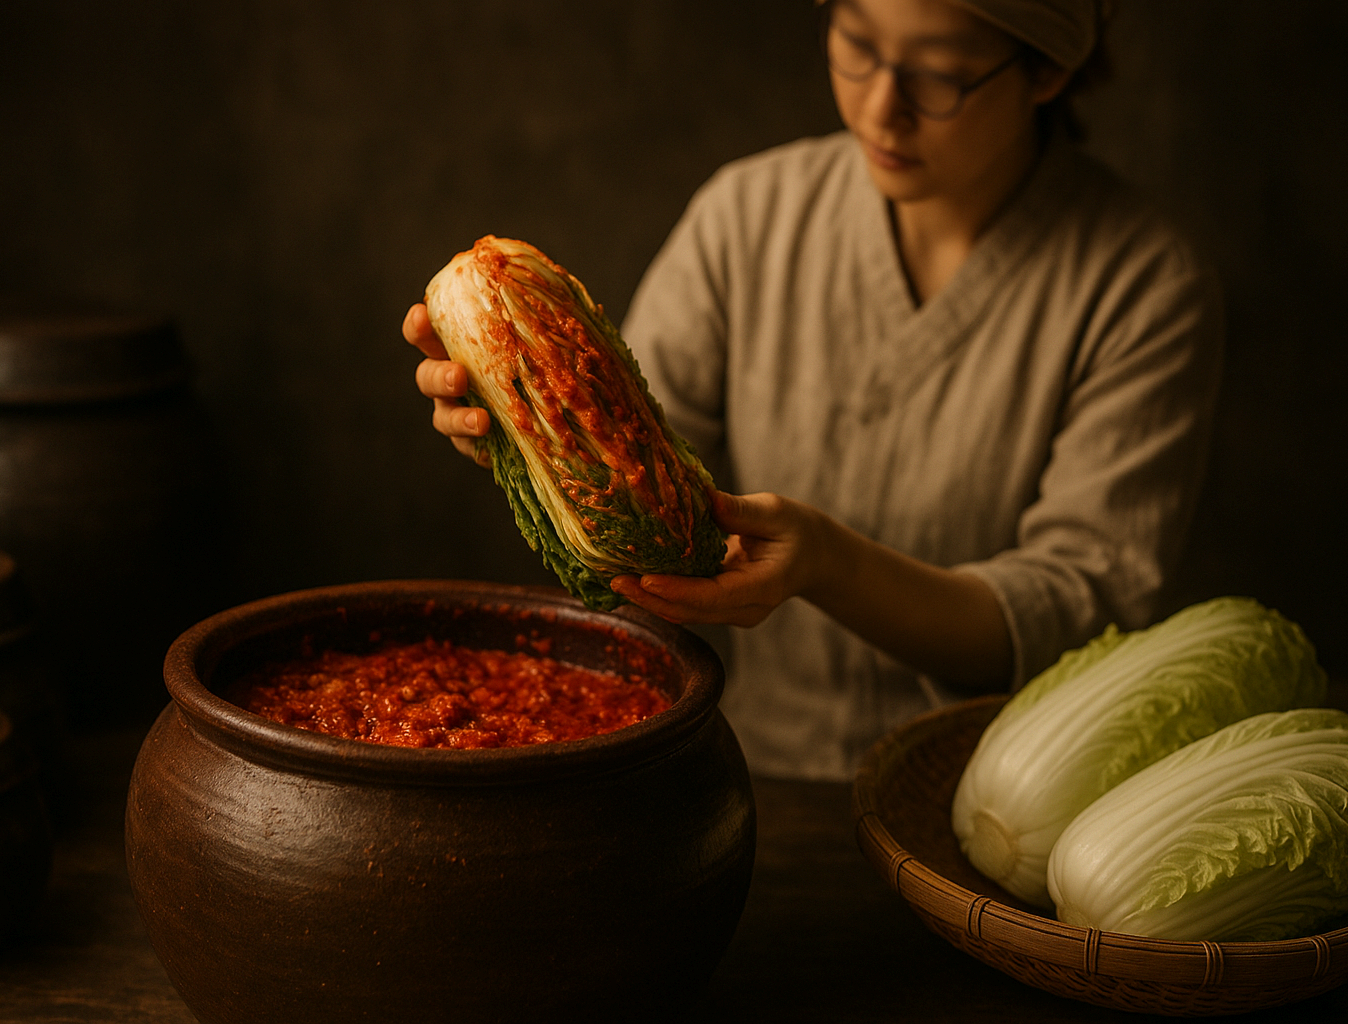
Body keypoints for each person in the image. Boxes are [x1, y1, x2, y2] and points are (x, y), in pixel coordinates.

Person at [404, 0, 1224, 781]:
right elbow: (633, 483)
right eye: (857, 45)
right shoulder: (748, 216)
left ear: (1048, 71)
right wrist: (522, 429)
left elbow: (1076, 608)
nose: (879, 109)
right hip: (747, 771)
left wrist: (830, 566)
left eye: (938, 76)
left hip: (991, 796)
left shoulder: (1143, 286)